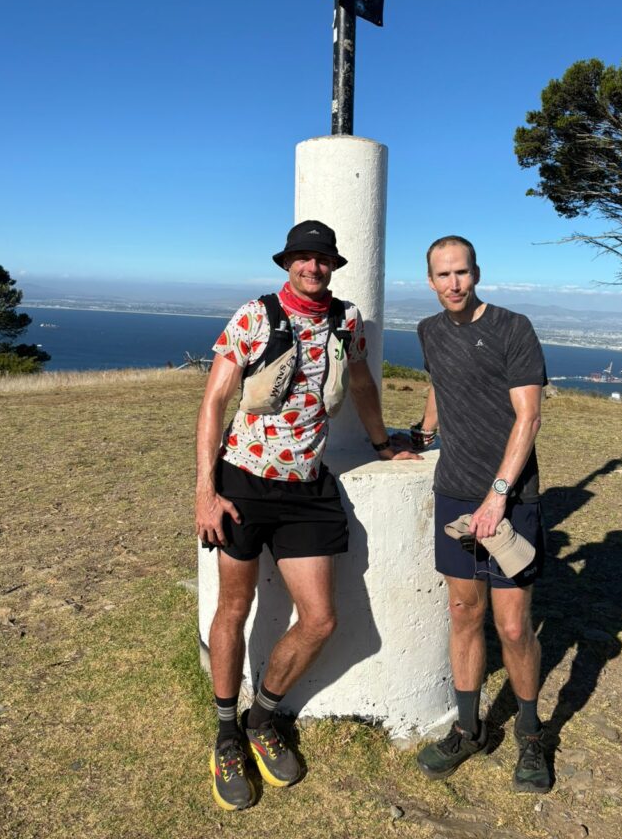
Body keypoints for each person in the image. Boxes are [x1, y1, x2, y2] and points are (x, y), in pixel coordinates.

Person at [196, 220, 419, 811]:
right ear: (287, 263)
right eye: (302, 258)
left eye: (322, 260)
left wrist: (380, 443)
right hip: (242, 481)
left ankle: (260, 718)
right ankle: (224, 735)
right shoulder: (254, 316)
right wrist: (204, 490)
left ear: (333, 267)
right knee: (234, 607)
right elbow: (214, 400)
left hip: (307, 488)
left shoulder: (346, 321)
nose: (312, 268)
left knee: (320, 618)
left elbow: (364, 382)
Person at [412, 235, 551, 794]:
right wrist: (420, 436)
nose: (453, 284)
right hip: (454, 494)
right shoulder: (428, 331)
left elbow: (529, 417)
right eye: (443, 275)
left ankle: (530, 734)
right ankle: (468, 729)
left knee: (514, 625)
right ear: (429, 280)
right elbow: (441, 389)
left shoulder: (513, 328)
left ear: (477, 273)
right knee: (464, 611)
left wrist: (498, 496)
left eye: (462, 273)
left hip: (511, 498)